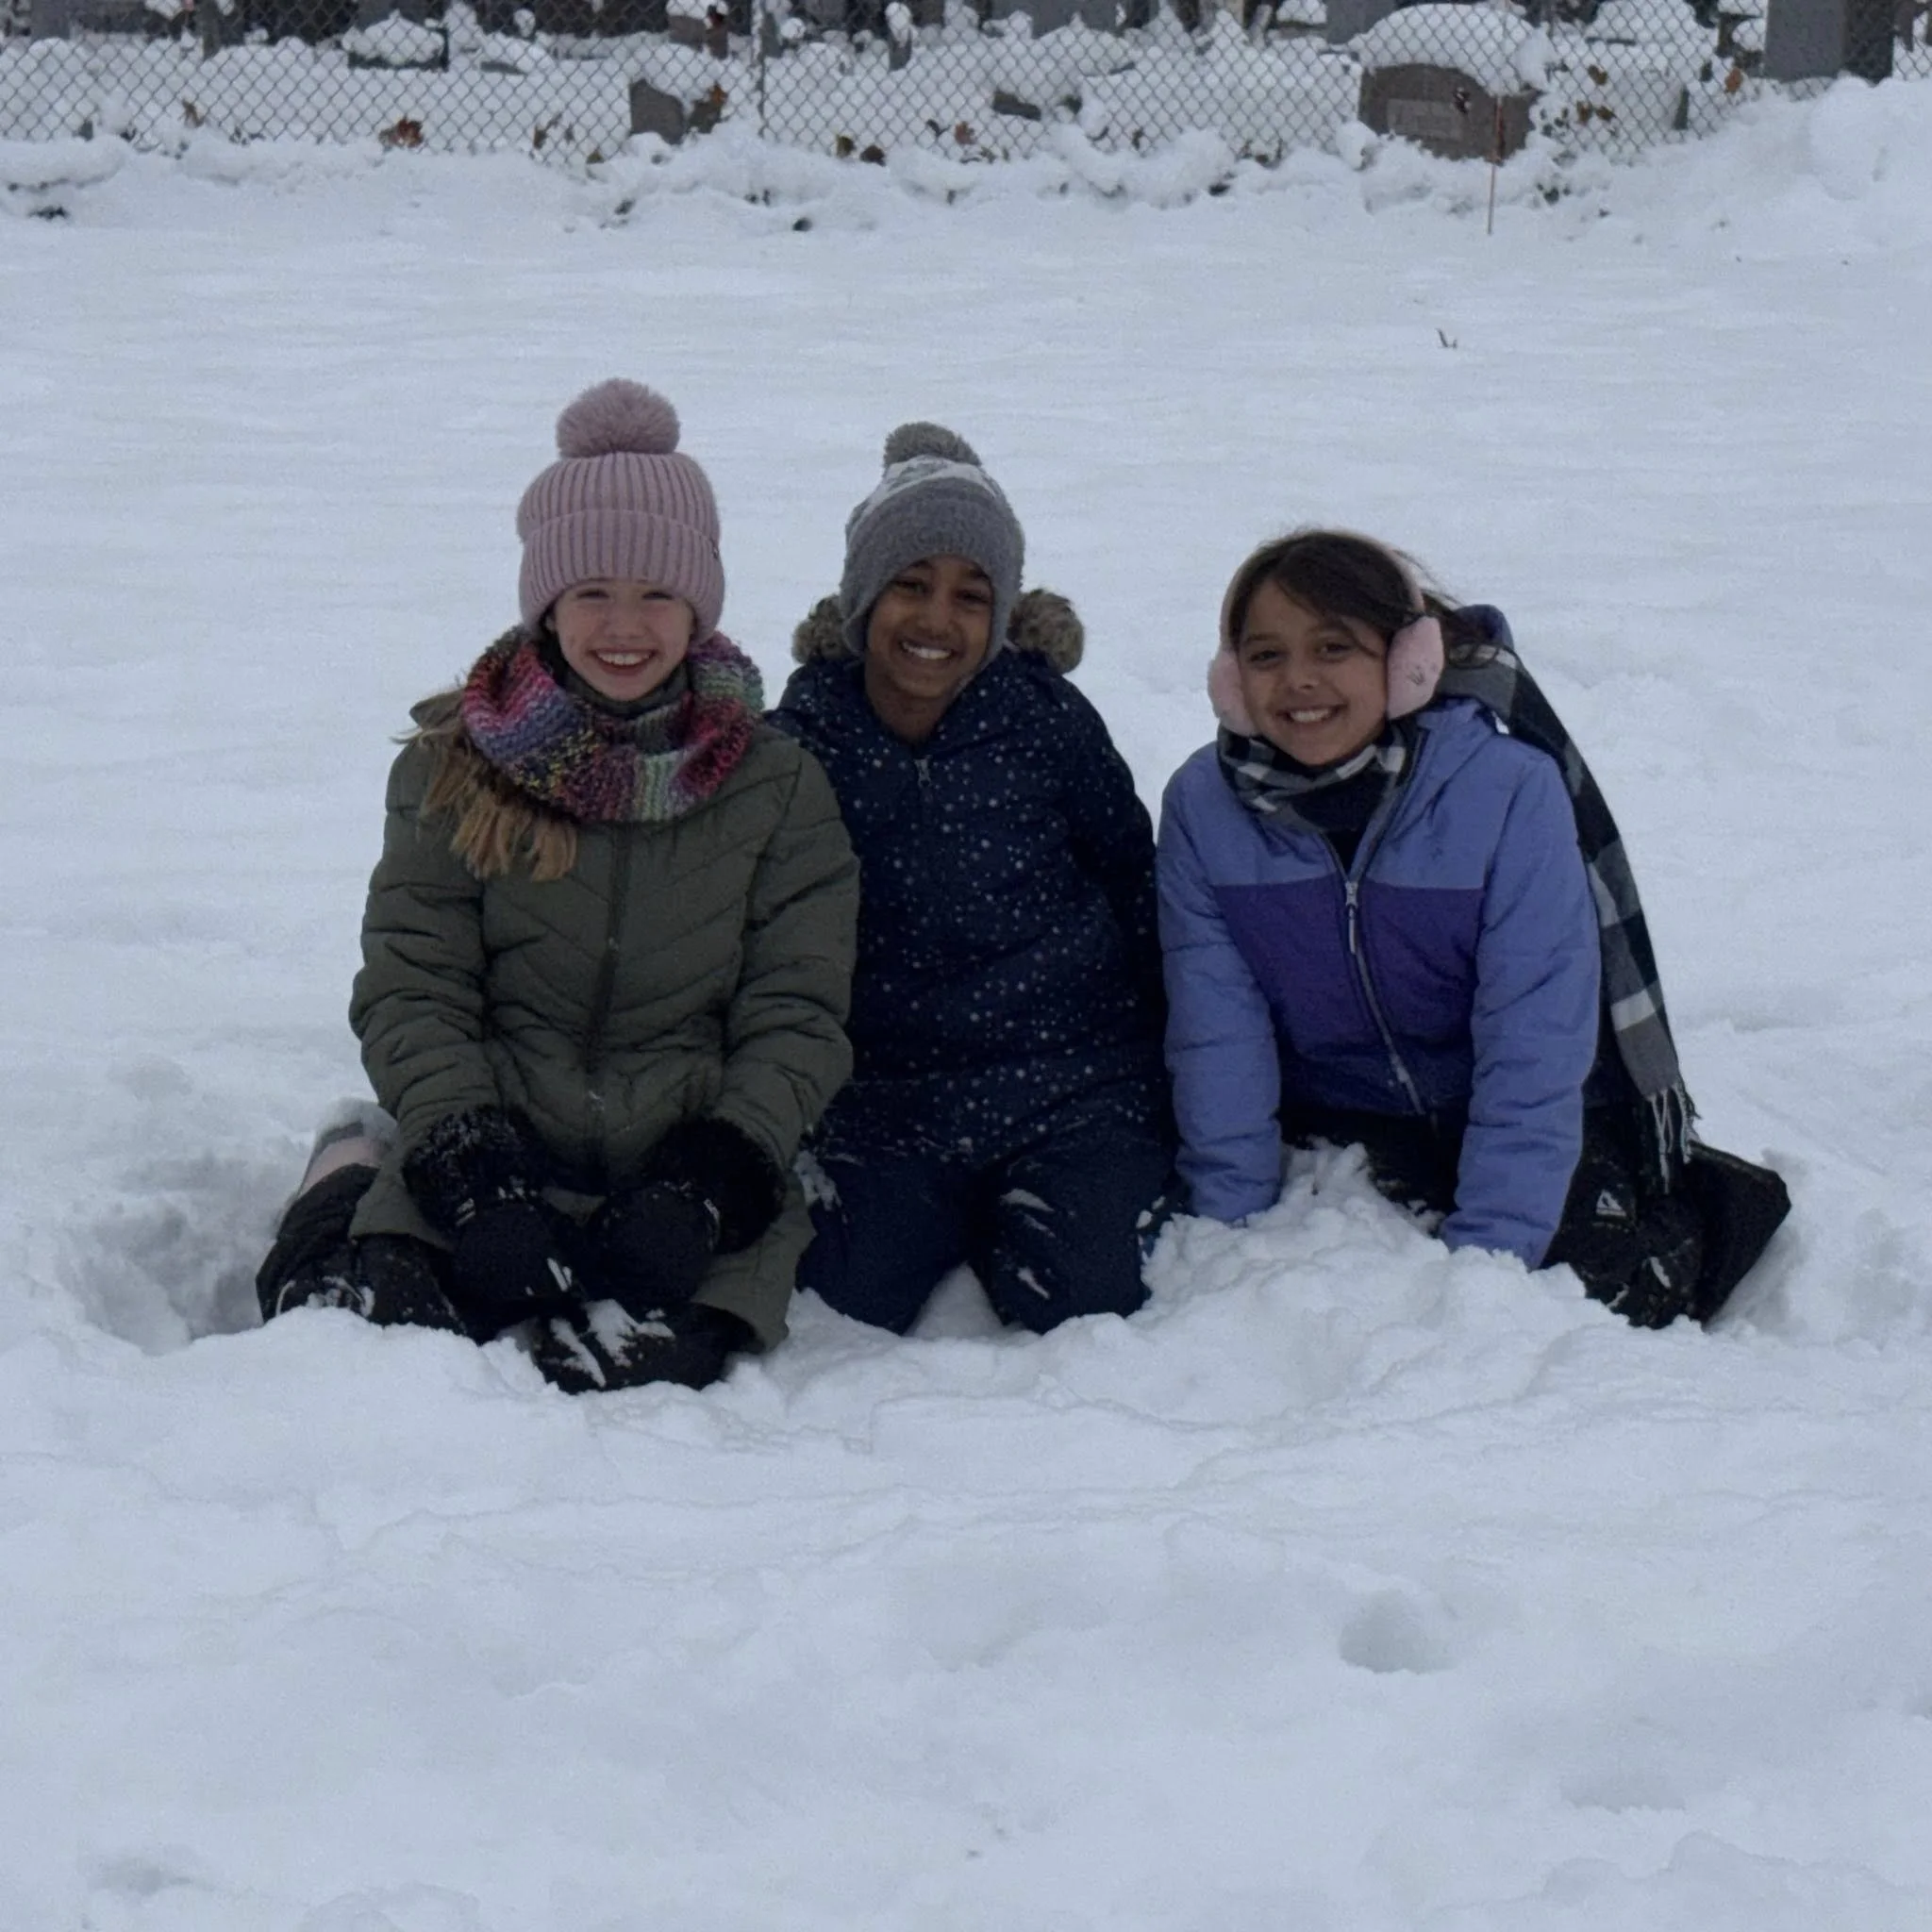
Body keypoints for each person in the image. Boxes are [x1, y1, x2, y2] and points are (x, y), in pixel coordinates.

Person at [255, 378, 859, 1392]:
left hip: (681, 1154)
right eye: (592, 593)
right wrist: (468, 1168)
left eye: (656, 592)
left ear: (698, 604)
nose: (624, 624)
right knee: (380, 1334)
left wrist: (712, 1177)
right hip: (495, 1134)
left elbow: (797, 1010)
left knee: (638, 1373)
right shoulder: (456, 764)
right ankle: (351, 1169)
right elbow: (416, 981)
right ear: (546, 601)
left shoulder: (777, 783)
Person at [1158, 528, 1789, 1327]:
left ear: (1405, 661)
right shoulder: (1204, 810)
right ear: (1231, 680)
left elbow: (1535, 1032)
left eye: (1334, 647)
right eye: (1266, 655)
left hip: (1526, 1105)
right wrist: (1230, 1231)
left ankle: (1716, 1205)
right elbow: (1218, 1031)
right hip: (1348, 1112)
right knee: (1316, 1282)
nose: (1299, 681)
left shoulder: (1505, 790)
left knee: (1589, 1295)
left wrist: (1492, 1259)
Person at [769, 424, 1173, 1337]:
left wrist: (1177, 1060)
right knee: (836, 1301)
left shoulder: (1042, 719)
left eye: (970, 594)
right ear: (861, 596)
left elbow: (1129, 876)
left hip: (1069, 1084)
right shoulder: (802, 741)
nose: (934, 620)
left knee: (1078, 1296)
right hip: (887, 1099)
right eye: (909, 585)